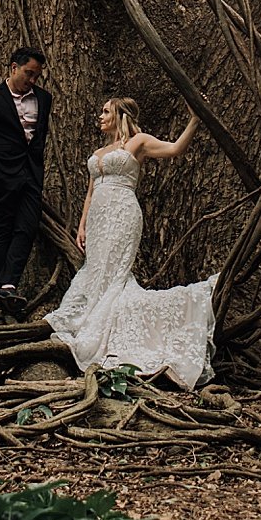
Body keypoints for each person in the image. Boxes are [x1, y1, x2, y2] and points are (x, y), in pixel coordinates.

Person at [45, 95, 215, 390]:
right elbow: (89, 192)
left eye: (105, 110)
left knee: (115, 275)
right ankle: (90, 317)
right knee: (96, 269)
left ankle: (121, 327)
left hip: (123, 214)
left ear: (120, 115)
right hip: (98, 218)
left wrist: (195, 120)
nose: (100, 115)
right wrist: (82, 226)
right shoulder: (100, 151)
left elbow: (175, 149)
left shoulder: (138, 142)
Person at [0, 46, 51, 316]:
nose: (33, 80)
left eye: (37, 76)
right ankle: (4, 285)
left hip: (31, 173)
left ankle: (7, 283)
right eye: (29, 73)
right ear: (13, 67)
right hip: (1, 173)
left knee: (27, 226)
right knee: (3, 227)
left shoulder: (43, 98)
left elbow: (39, 136)